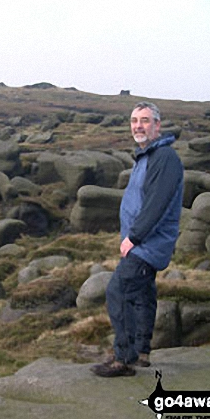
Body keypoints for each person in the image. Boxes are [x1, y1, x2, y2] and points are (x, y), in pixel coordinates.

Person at [91, 102, 184, 377]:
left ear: (157, 125)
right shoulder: (147, 156)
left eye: (145, 120)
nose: (138, 126)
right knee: (143, 295)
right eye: (134, 120)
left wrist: (134, 237)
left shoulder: (164, 158)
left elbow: (157, 203)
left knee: (117, 291)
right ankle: (141, 352)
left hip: (148, 244)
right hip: (143, 242)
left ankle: (124, 358)